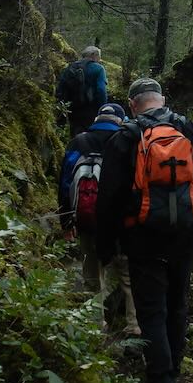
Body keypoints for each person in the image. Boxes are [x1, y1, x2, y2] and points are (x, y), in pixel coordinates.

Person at [96, 77, 193, 383]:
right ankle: (174, 370)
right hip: (186, 235)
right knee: (177, 303)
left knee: (151, 311)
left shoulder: (125, 137)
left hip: (142, 237)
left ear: (132, 105)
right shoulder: (190, 131)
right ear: (162, 99)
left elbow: (108, 197)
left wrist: (106, 245)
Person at [59, 101, 141, 338]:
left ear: (97, 119)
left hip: (88, 218)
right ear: (120, 120)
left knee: (92, 272)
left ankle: (95, 324)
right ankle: (134, 326)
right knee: (128, 275)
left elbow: (65, 182)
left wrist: (66, 220)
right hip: (122, 222)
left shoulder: (79, 141)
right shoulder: (128, 141)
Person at [55, 46, 108, 136]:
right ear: (94, 55)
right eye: (99, 57)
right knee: (89, 136)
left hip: (72, 109)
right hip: (90, 109)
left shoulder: (71, 67)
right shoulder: (98, 69)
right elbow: (101, 90)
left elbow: (61, 87)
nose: (99, 59)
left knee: (74, 135)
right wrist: (102, 109)